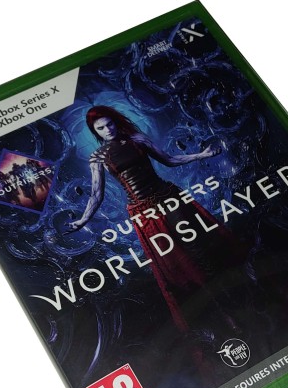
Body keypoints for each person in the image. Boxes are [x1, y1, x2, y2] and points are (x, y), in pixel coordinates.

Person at [67, 106, 248, 336]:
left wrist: (201, 155)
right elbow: (96, 194)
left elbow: (169, 160)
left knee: (198, 248)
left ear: (115, 121)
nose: (107, 130)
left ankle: (232, 302)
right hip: (144, 212)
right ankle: (219, 314)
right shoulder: (98, 158)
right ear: (95, 132)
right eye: (100, 128)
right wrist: (83, 220)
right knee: (175, 263)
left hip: (168, 198)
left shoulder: (138, 139)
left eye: (109, 124)